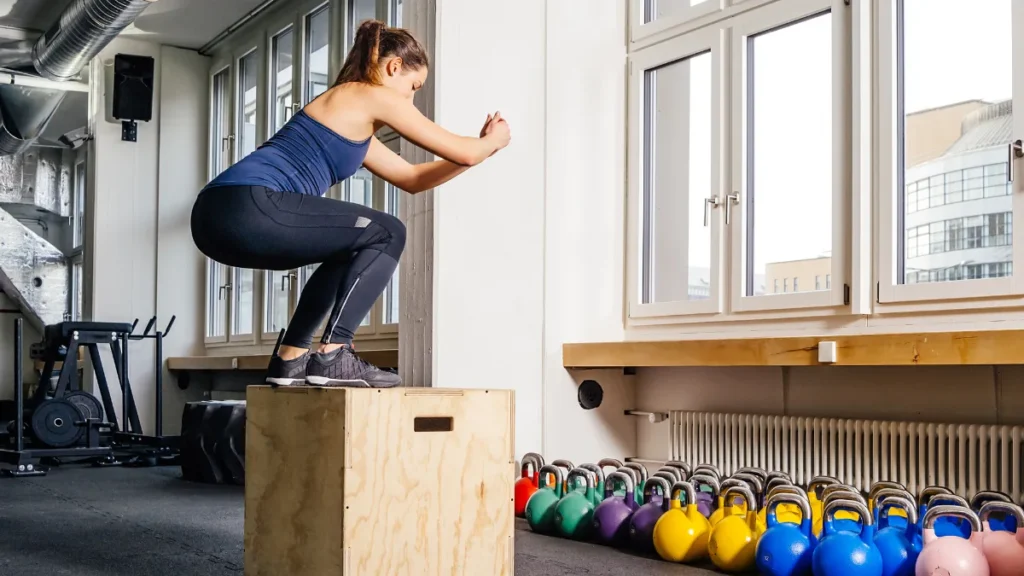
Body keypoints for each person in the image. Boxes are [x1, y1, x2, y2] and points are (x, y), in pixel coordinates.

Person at [189, 19, 511, 388]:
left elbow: (413, 179)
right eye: (413, 87)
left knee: (351, 246)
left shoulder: (352, 116)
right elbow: (464, 151)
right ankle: (333, 353)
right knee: (388, 231)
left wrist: (480, 152)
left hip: (218, 216)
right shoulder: (369, 94)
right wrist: (492, 142)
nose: (410, 99)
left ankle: (291, 359)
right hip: (247, 204)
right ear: (393, 68)